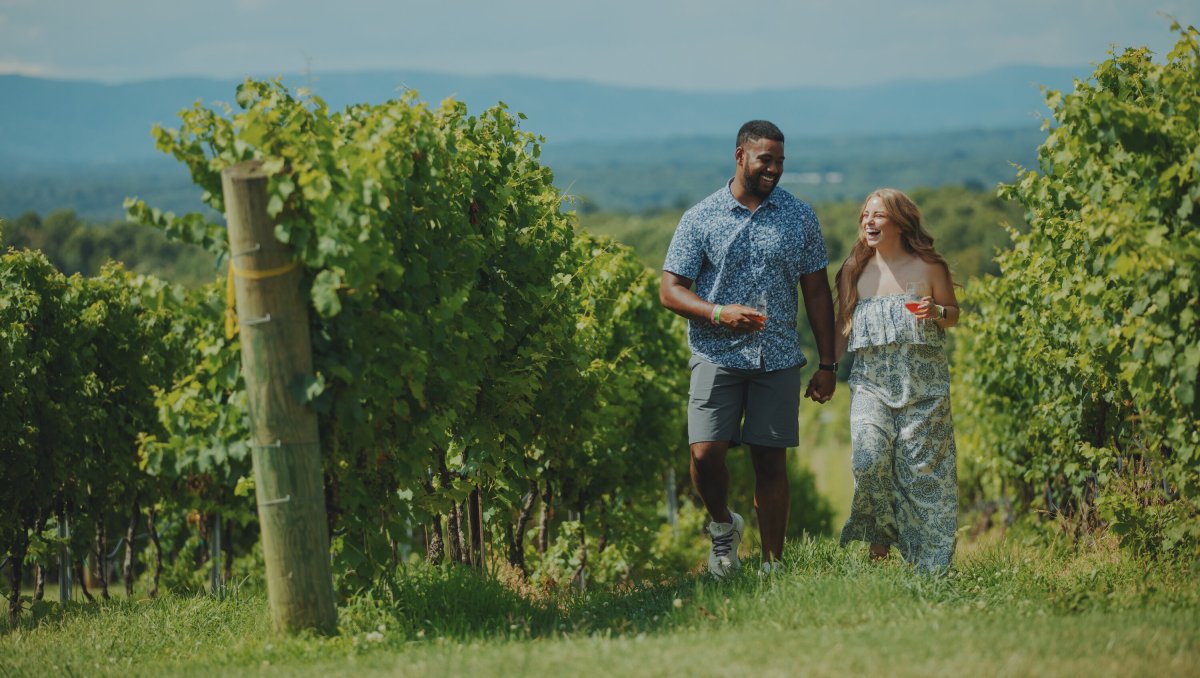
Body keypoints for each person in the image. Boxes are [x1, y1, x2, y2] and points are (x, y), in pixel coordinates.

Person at [660, 120, 838, 577]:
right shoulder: (701, 217)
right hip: (716, 352)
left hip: (777, 356)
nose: (774, 169)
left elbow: (817, 292)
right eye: (766, 160)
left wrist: (828, 362)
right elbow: (670, 290)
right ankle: (723, 528)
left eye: (780, 161)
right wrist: (719, 313)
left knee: (770, 460)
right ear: (740, 156)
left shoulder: (800, 216)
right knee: (704, 453)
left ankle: (772, 565)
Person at [833, 188, 960, 571]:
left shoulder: (929, 268)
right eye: (864, 216)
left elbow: (952, 315)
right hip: (870, 387)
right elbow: (843, 329)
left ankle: (929, 564)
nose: (868, 222)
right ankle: (879, 539)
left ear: (901, 223)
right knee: (869, 459)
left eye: (878, 216)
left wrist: (935, 310)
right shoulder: (853, 271)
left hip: (924, 391)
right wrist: (825, 371)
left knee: (924, 479)